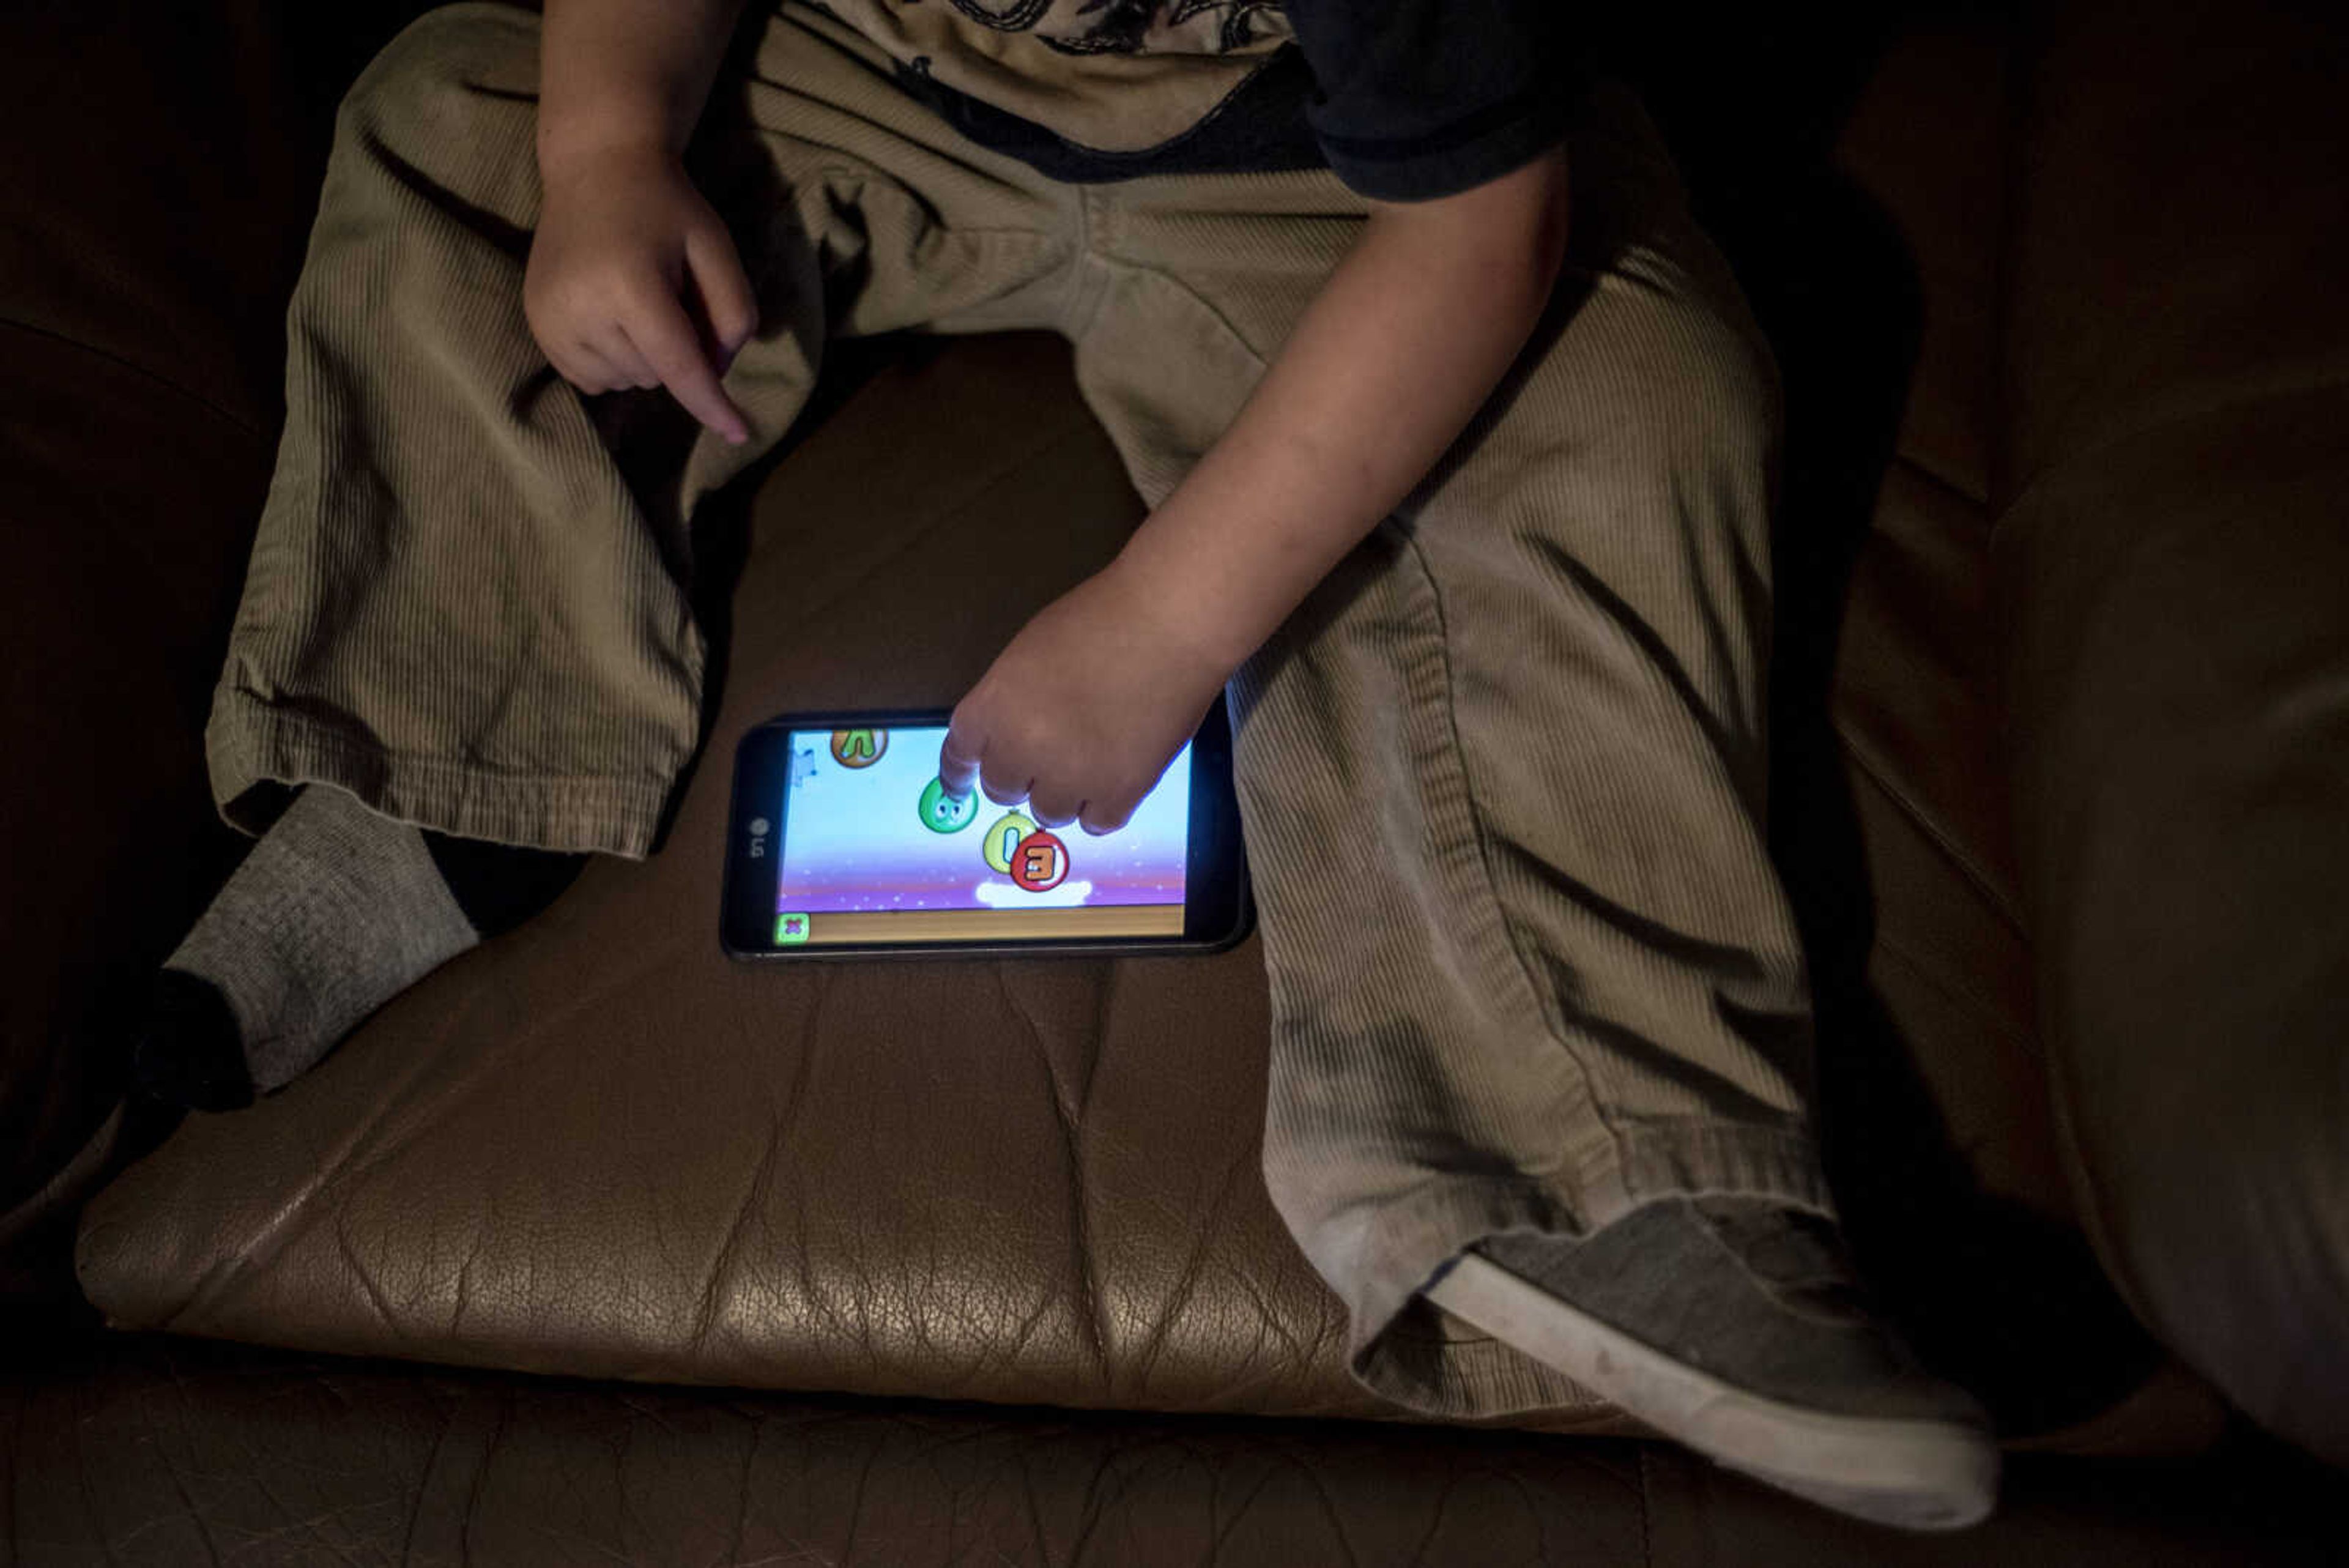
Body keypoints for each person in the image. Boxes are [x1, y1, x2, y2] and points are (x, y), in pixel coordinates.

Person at [125, 0, 2000, 1528]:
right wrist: (607, 144)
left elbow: (1480, 233)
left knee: (1628, 375)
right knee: (453, 111)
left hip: (1334, 186)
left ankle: (1580, 1178)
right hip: (856, 84)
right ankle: (443, 764)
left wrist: (1162, 628)